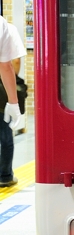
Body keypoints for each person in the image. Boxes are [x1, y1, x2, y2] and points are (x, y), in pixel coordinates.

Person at [0, 19, 25, 187]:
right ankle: (5, 175)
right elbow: (10, 64)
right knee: (5, 135)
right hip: (2, 92)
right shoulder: (5, 26)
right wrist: (13, 102)